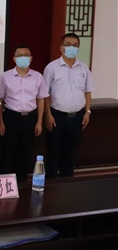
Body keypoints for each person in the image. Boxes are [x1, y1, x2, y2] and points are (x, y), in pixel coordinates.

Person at [43, 33, 94, 178]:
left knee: (70, 154)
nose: (72, 48)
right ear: (61, 48)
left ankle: (67, 184)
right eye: (68, 45)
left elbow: (88, 91)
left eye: (75, 45)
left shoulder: (83, 68)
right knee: (53, 153)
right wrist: (48, 115)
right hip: (57, 116)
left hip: (77, 117)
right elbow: (45, 94)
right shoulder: (52, 68)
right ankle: (52, 185)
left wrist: (87, 112)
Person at [0, 44, 48, 182]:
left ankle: (21, 183)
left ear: (31, 58)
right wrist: (1, 121)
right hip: (11, 117)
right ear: (14, 58)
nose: (23, 58)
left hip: (30, 118)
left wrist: (39, 121)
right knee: (8, 152)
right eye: (20, 55)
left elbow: (41, 99)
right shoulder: (5, 76)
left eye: (26, 55)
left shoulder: (38, 76)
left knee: (25, 152)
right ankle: (4, 184)